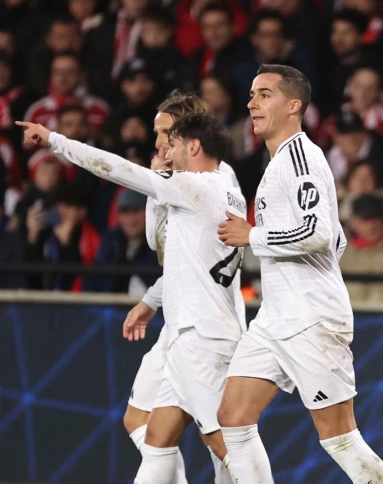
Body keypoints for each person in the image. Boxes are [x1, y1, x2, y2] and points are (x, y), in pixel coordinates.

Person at [17, 112, 248, 484]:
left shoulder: (194, 185)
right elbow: (181, 261)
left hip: (202, 336)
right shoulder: (227, 188)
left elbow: (117, 168)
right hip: (193, 329)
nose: (167, 152)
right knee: (156, 439)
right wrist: (153, 300)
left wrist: (56, 141)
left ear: (194, 146)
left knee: (224, 441)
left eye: (172, 143)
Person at [215, 64, 383, 483]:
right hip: (276, 319)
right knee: (233, 418)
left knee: (340, 439)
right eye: (251, 94)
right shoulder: (278, 161)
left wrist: (252, 236)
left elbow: (318, 233)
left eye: (263, 94)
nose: (251, 103)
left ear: (294, 105)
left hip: (311, 320)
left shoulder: (300, 157)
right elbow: (338, 241)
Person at [120, 91, 243, 484]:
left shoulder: (212, 181)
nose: (157, 144)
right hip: (180, 320)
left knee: (218, 437)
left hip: (205, 327)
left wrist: (160, 183)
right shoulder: (177, 180)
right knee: (143, 423)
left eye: (164, 134)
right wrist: (150, 300)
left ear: (189, 138)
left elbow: (178, 252)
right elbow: (166, 251)